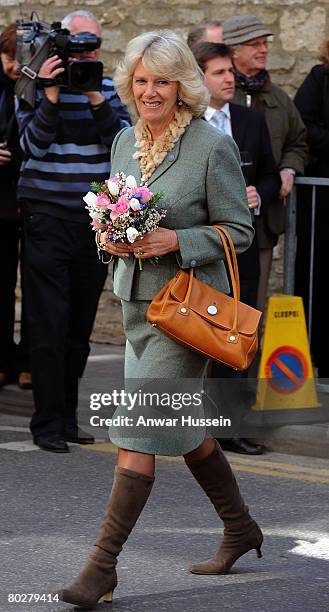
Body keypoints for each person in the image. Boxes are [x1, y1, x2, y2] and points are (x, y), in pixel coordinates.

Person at [60, 30, 263, 609]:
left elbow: (239, 230)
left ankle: (101, 568)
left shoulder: (209, 145)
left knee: (137, 428)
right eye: (142, 81)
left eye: (162, 81)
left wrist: (179, 238)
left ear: (182, 86)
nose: (150, 92)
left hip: (188, 310)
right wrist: (112, 236)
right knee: (177, 426)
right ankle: (241, 528)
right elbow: (120, 215)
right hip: (136, 306)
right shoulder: (125, 140)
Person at [16, 10, 130, 453]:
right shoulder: (34, 82)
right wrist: (49, 95)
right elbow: (31, 146)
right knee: (48, 323)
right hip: (47, 216)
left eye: (94, 44)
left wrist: (96, 99)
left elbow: (121, 143)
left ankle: (67, 417)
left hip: (93, 219)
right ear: (63, 44)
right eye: (79, 44)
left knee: (79, 325)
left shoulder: (107, 89)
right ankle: (46, 422)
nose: (87, 52)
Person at [194, 41, 280, 454]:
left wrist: (257, 195)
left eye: (231, 71)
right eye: (219, 72)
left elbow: (267, 174)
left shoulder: (249, 120)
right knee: (199, 334)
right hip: (201, 245)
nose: (229, 78)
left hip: (241, 245)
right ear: (198, 79)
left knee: (241, 333)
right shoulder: (191, 125)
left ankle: (235, 427)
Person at [222, 14, 308, 312]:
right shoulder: (216, 95)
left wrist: (288, 167)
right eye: (254, 44)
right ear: (233, 50)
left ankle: (249, 359)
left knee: (251, 307)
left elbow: (298, 141)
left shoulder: (279, 99)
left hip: (261, 219)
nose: (263, 50)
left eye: (264, 43)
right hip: (215, 223)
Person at [294, 39, 329, 378]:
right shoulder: (321, 77)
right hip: (323, 201)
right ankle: (318, 353)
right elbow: (304, 124)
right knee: (318, 273)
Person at [0, 23, 31, 390]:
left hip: (33, 199)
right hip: (3, 207)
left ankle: (28, 362)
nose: (12, 66)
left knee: (38, 294)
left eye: (18, 59)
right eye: (8, 57)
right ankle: (4, 359)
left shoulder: (34, 85)